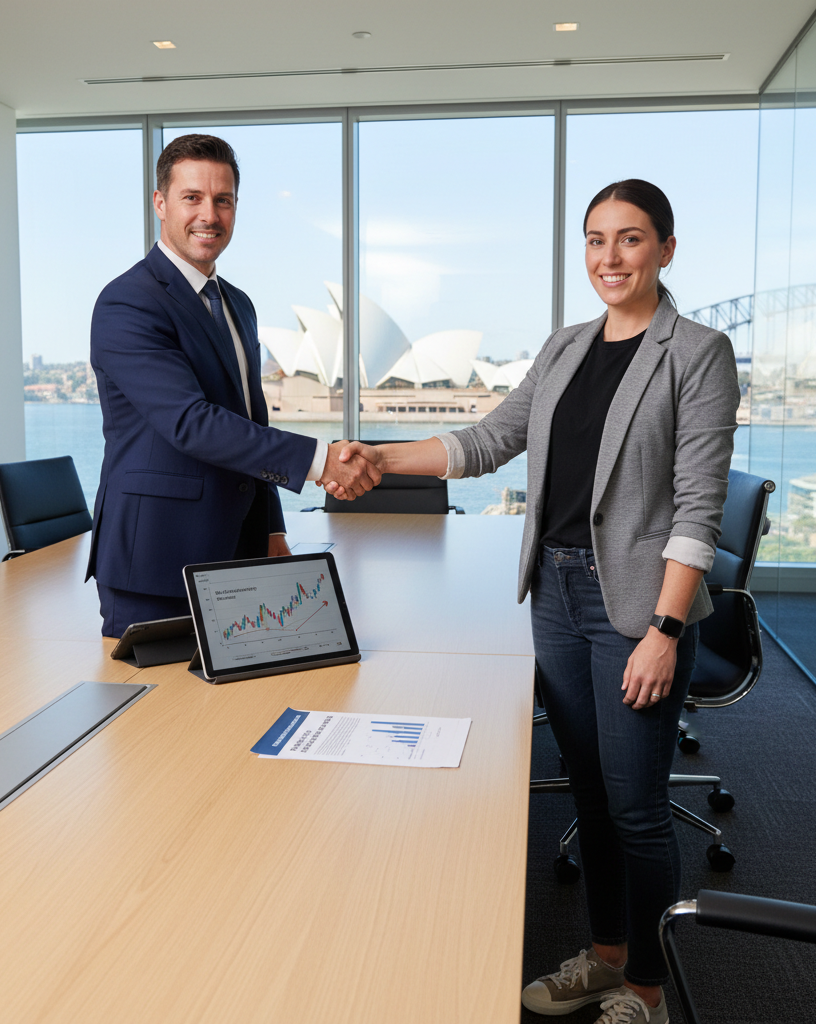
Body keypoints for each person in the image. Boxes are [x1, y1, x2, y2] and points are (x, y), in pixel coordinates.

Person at [332, 180, 740, 1024]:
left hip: (634, 605)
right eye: (596, 240)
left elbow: (698, 505)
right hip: (552, 592)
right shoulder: (563, 348)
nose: (610, 258)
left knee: (635, 808)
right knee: (586, 791)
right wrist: (375, 457)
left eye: (630, 240)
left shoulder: (697, 352)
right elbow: (486, 441)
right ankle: (604, 955)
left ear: (666, 248)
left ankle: (648, 993)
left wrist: (665, 629)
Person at [86, 134, 379, 637]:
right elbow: (190, 422)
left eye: (223, 200)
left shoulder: (237, 304)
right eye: (192, 197)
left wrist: (271, 526)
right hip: (158, 557)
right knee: (159, 711)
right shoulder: (127, 302)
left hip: (240, 551)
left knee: (235, 706)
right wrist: (320, 461)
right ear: (160, 202)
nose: (210, 215)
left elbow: (250, 422)